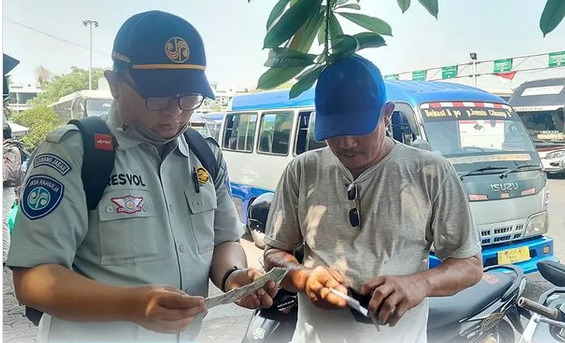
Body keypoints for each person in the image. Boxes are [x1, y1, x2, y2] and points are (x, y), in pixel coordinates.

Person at [7, 10, 277, 343]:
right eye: (158, 95)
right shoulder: (74, 152)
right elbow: (33, 278)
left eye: (189, 97)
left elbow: (224, 240)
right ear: (115, 83)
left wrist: (235, 277)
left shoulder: (203, 154)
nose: (175, 111)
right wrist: (133, 305)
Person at [263, 55, 483, 343]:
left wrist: (420, 283)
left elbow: (470, 265)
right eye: (335, 131)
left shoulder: (431, 172)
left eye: (359, 129)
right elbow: (273, 254)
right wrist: (304, 278)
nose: (346, 143)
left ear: (387, 113)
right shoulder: (303, 170)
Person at [3, 123, 23, 264]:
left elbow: (8, 172)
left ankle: (4, 255)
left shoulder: (11, 150)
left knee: (2, 222)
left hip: (5, 190)